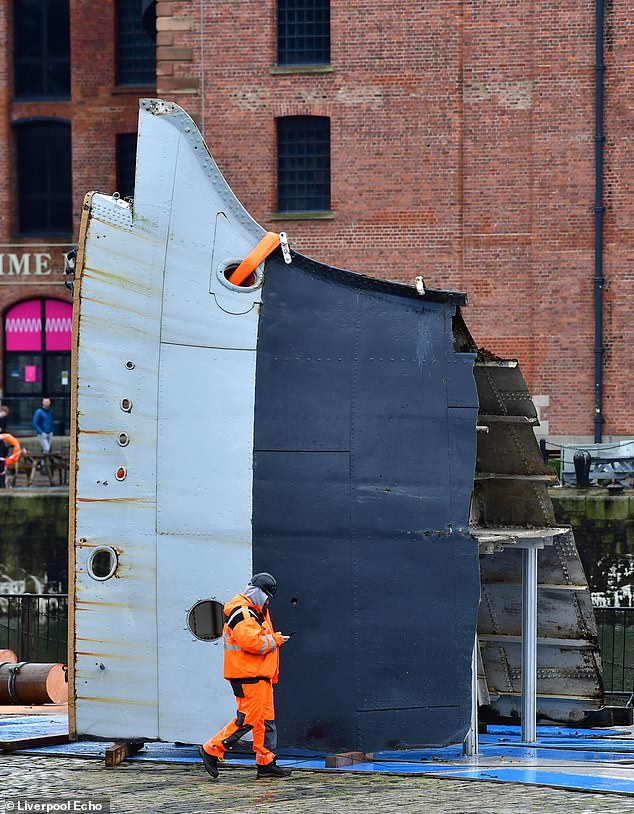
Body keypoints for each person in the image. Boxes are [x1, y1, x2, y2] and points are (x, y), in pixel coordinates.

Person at [200, 572, 292, 780]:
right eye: (267, 596)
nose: (268, 600)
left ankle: (266, 762)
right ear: (259, 594)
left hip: (260, 676)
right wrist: (277, 639)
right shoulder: (243, 613)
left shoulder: (256, 611)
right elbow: (254, 643)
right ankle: (211, 749)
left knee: (265, 722)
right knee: (248, 720)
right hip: (248, 676)